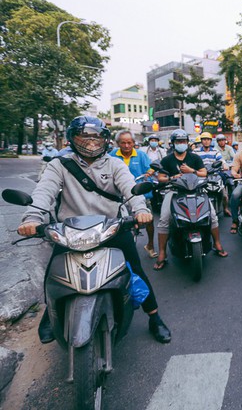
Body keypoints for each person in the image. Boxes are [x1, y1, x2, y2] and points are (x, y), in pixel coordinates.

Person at [18, 116, 172, 344]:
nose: (90, 142)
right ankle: (50, 315)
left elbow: (131, 190)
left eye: (96, 137)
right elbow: (44, 192)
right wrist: (32, 217)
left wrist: (140, 210)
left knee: (136, 271)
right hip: (69, 232)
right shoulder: (59, 165)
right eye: (84, 137)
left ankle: (154, 316)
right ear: (73, 139)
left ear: (105, 140)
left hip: (111, 228)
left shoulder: (114, 164)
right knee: (54, 271)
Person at [155, 129, 228, 270]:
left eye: (183, 141)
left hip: (197, 191)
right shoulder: (167, 159)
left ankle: (217, 243)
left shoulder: (194, 158)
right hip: (174, 192)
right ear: (173, 143)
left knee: (212, 215)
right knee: (164, 219)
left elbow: (203, 173)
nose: (181, 144)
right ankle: (162, 253)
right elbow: (160, 177)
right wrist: (172, 178)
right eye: (178, 141)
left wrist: (191, 171)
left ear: (187, 143)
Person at [111, 130, 158, 258]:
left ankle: (150, 245)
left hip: (139, 192)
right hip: (118, 195)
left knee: (149, 218)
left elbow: (150, 168)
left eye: (129, 143)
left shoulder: (141, 155)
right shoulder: (111, 155)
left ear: (133, 143)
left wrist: (149, 172)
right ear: (118, 143)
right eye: (123, 143)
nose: (126, 146)